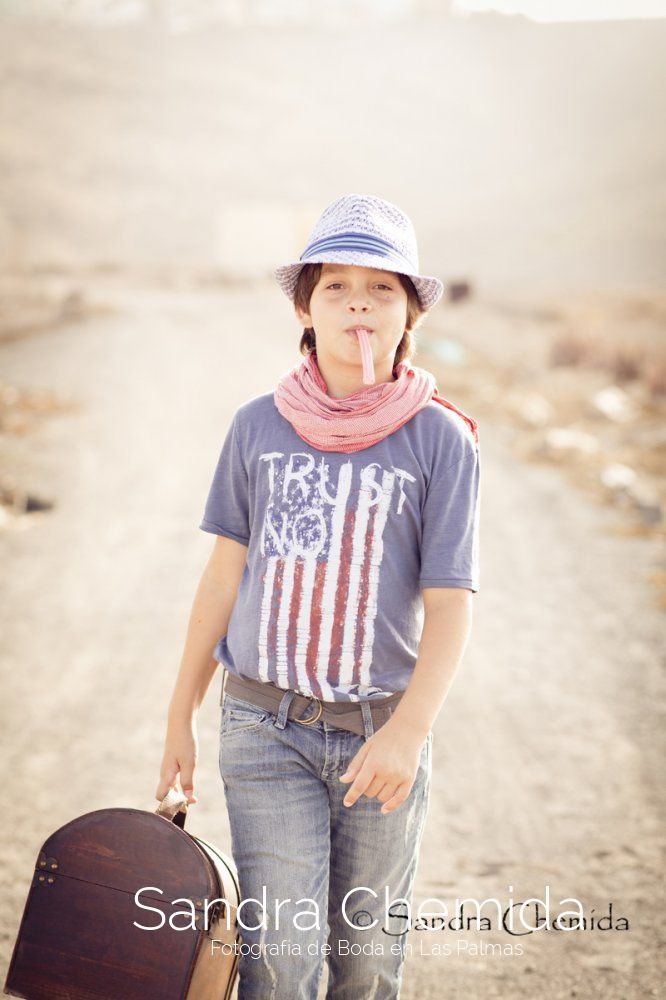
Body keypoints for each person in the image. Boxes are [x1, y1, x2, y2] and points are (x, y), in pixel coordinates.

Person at [156, 193, 480, 999]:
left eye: (382, 289)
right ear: (305, 306)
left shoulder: (442, 439)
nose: (359, 305)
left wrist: (408, 734)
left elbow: (450, 602)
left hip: (382, 740)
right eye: (336, 286)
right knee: (284, 959)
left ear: (410, 314)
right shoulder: (257, 426)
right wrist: (179, 716)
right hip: (265, 729)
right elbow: (222, 577)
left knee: (366, 962)